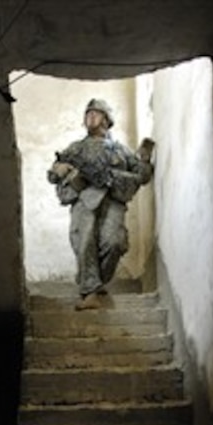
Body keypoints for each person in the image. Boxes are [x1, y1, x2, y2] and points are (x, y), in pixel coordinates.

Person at [47, 98, 155, 310]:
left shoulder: (120, 150)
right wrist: (59, 169)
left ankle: (95, 282)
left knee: (115, 242)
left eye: (95, 113)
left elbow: (142, 176)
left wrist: (143, 158)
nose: (90, 117)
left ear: (106, 119)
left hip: (113, 198)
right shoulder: (76, 148)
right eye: (87, 114)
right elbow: (54, 173)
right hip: (84, 198)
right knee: (84, 241)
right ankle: (90, 292)